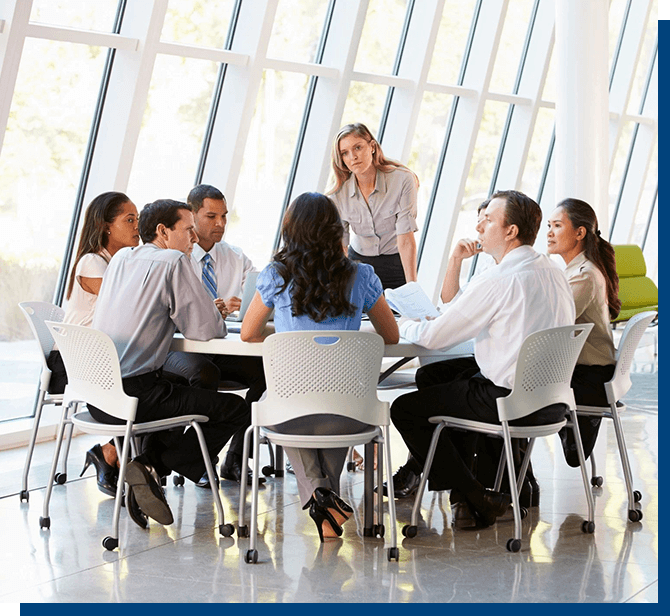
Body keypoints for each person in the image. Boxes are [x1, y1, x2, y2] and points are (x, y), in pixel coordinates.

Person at [389, 190, 576, 529]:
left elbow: (434, 337)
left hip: (508, 400)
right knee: (435, 377)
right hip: (552, 397)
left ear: (511, 231)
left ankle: (473, 494)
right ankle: (464, 495)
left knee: (404, 409)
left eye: (488, 219)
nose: (479, 225)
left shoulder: (500, 278)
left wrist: (398, 323)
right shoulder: (552, 270)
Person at [241, 192, 399, 541]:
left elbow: (249, 333)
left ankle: (320, 496)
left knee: (283, 397)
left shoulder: (275, 275)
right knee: (336, 393)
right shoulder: (363, 275)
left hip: (291, 409)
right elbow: (391, 334)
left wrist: (286, 331)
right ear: (335, 230)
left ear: (290, 231)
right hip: (351, 409)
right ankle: (325, 501)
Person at [92, 199, 249, 527]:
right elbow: (206, 329)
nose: (194, 237)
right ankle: (152, 464)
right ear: (163, 231)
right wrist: (211, 312)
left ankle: (149, 466)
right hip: (137, 396)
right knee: (237, 409)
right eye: (188, 229)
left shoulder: (122, 257)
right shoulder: (174, 260)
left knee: (180, 383)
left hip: (98, 394)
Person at [162, 184, 266, 487]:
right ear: (192, 215)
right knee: (202, 374)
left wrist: (245, 307)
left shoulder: (235, 257)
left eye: (223, 216)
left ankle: (235, 458)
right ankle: (193, 459)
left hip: (221, 345)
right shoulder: (174, 257)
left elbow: (259, 296)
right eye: (211, 216)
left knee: (268, 373)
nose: (219, 224)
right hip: (180, 348)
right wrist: (206, 309)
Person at [46, 191, 140, 498]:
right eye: (129, 219)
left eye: (138, 218)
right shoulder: (92, 262)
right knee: (148, 388)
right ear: (106, 226)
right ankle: (135, 467)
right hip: (76, 364)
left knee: (160, 382)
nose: (137, 225)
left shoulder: (121, 262)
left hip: (104, 359)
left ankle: (113, 455)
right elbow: (125, 307)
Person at [547, 198, 619, 466]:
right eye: (548, 226)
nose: (549, 233)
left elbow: (553, 325)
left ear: (580, 232)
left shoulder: (584, 275)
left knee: (507, 391)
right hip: (586, 371)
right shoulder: (575, 271)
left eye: (557, 225)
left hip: (589, 379)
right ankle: (519, 478)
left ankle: (518, 480)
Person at [328, 123, 419, 290]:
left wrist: (412, 287)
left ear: (372, 147)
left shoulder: (403, 180)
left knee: (403, 315)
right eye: (345, 153)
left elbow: (406, 238)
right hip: (359, 264)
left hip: (397, 263)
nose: (353, 157)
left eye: (358, 147)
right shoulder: (337, 194)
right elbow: (341, 246)